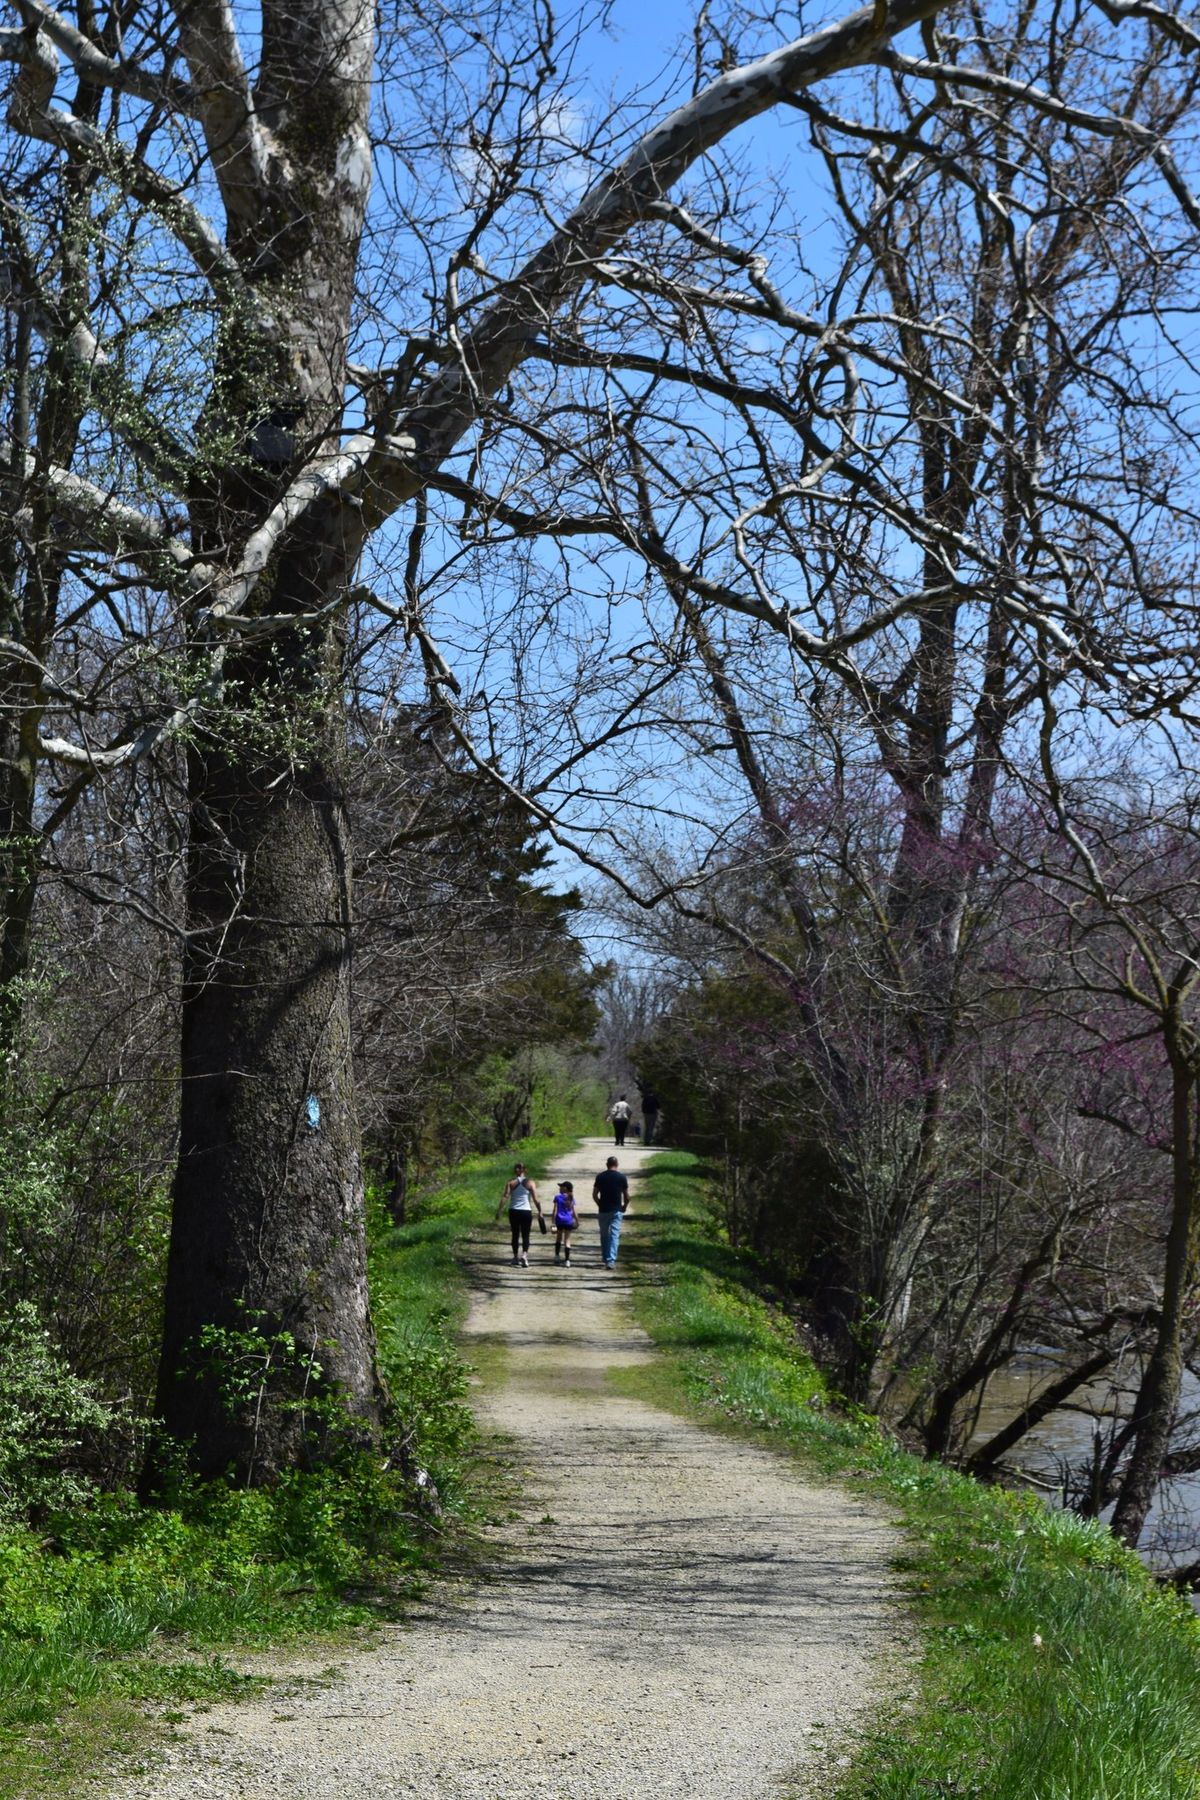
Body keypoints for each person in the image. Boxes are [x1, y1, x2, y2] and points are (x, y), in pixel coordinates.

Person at [496, 1162, 542, 1267]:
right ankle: (525, 1256)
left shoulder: (511, 1182)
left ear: (515, 1170)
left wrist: (499, 1210)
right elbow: (536, 1199)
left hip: (514, 1211)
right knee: (526, 1235)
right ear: (525, 1170)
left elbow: (505, 1197)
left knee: (515, 1234)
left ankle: (515, 1257)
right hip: (526, 1211)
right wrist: (540, 1211)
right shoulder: (530, 1183)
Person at [592, 1155, 629, 1270]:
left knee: (604, 1234)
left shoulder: (600, 1177)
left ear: (607, 1165)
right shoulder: (622, 1177)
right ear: (617, 1165)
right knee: (614, 1235)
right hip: (616, 1210)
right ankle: (611, 1260)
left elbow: (594, 1194)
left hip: (603, 1210)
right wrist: (624, 1207)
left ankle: (605, 1257)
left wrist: (599, 1204)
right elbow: (627, 1196)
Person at [552, 1180, 578, 1265]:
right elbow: (574, 1212)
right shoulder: (571, 1198)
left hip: (559, 1221)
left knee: (558, 1238)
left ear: (565, 1188)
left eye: (561, 1186)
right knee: (567, 1240)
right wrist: (577, 1221)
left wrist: (553, 1222)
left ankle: (557, 1256)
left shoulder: (557, 1197)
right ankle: (567, 1260)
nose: (559, 1188)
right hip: (568, 1221)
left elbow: (555, 1210)